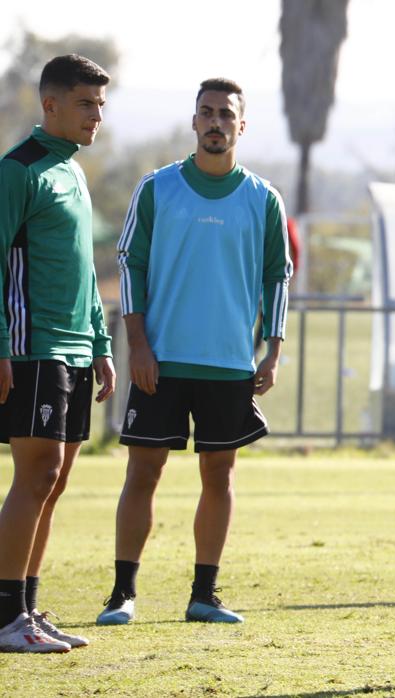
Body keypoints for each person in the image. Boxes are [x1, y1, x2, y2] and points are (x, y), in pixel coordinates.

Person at [98, 78, 292, 626]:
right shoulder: (157, 189)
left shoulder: (263, 198)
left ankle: (204, 595)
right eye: (206, 113)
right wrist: (138, 344)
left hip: (230, 364)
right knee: (143, 474)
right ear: (193, 121)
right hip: (159, 359)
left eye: (225, 115)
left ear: (241, 125)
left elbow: (279, 277)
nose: (215, 123)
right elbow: (130, 263)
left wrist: (272, 351)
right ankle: (122, 594)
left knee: (220, 477)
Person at [0, 54, 116, 654]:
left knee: (56, 480)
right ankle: (3, 616)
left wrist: (100, 344)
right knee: (37, 473)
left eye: (101, 103)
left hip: (74, 348)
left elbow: (85, 273)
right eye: (87, 103)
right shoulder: (17, 170)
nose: (98, 115)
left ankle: (25, 609)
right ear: (51, 105)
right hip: (33, 347)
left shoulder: (72, 171)